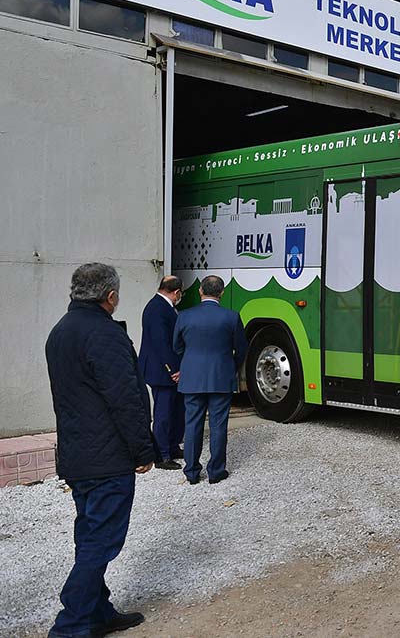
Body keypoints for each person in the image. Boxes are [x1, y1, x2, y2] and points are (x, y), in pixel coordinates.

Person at [45, 263, 155, 637]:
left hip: (79, 457)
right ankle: (71, 624)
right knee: (102, 541)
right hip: (106, 459)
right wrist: (143, 451)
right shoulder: (104, 334)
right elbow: (125, 399)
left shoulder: (60, 331)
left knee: (90, 536)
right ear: (111, 297)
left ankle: (98, 612)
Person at [174, 275, 248, 485]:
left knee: (192, 424)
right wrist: (230, 364)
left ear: (200, 291)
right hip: (221, 375)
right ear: (222, 292)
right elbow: (242, 348)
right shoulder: (231, 317)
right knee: (218, 425)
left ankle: (191, 471)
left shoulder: (185, 316)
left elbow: (176, 346)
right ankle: (216, 471)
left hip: (192, 377)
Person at [138, 276, 185, 470]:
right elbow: (161, 343)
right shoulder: (157, 308)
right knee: (163, 413)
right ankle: (162, 454)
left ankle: (172, 446)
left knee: (175, 410)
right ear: (176, 292)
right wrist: (173, 369)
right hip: (161, 370)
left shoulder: (161, 306)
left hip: (164, 369)